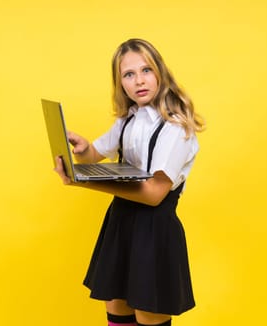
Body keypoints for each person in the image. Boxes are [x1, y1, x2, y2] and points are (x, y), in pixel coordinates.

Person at [54, 38, 205, 326]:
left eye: (146, 70)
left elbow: (153, 195)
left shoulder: (176, 128)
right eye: (129, 74)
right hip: (120, 225)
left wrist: (81, 181)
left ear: (160, 73)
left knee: (148, 317)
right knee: (118, 315)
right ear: (120, 83)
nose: (139, 80)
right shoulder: (129, 120)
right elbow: (96, 153)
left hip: (154, 232)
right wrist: (83, 148)